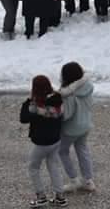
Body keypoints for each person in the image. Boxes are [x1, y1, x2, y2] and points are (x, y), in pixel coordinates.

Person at [20, 75, 66, 207]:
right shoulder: (58, 100)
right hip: (56, 140)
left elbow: (23, 118)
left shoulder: (36, 107)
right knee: (53, 166)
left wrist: (27, 101)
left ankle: (41, 197)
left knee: (33, 168)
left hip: (41, 143)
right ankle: (60, 197)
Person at [58, 61, 96, 193]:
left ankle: (74, 180)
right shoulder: (88, 86)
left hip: (71, 129)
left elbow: (66, 115)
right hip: (85, 125)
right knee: (82, 150)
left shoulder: (69, 94)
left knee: (62, 151)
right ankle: (88, 181)